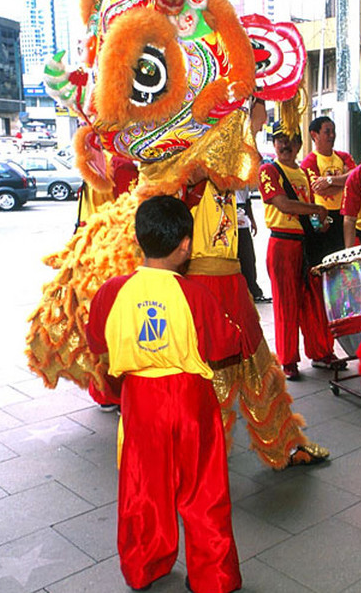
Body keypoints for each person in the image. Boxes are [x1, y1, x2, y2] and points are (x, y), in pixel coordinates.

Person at [86, 195, 244, 592]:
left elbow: (96, 341)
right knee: (203, 488)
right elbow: (227, 345)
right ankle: (215, 576)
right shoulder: (195, 295)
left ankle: (145, 565)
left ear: (140, 239)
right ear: (186, 245)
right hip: (191, 399)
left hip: (140, 399)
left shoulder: (112, 291)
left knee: (143, 488)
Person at [182, 172, 329, 468]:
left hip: (233, 283)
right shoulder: (187, 176)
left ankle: (285, 444)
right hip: (200, 286)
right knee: (204, 377)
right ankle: (198, 459)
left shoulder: (223, 177)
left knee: (261, 368)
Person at [258, 130, 339, 380]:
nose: (285, 145)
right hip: (282, 244)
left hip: (307, 242)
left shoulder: (303, 172)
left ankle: (321, 351)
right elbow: (283, 204)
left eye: (290, 140)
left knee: (314, 301)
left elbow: (308, 209)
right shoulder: (269, 171)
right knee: (286, 303)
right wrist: (316, 209)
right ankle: (289, 360)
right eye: (280, 140)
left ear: (299, 144)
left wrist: (320, 222)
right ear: (274, 144)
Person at [301, 115, 356, 258]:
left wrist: (330, 180)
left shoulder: (343, 156)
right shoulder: (309, 162)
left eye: (333, 131)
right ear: (314, 135)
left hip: (344, 215)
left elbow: (355, 178)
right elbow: (319, 190)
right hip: (322, 217)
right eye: (327, 131)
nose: (332, 135)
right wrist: (344, 181)